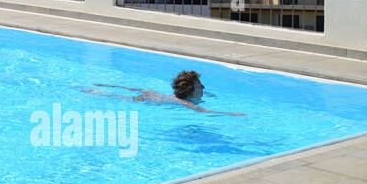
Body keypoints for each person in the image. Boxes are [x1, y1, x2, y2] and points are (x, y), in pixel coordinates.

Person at [82, 69, 245, 115]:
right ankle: (98, 92)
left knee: (135, 89)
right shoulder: (183, 102)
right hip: (148, 99)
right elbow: (204, 111)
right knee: (123, 97)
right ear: (190, 91)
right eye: (200, 86)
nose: (203, 88)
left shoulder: (185, 96)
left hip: (154, 94)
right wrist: (234, 114)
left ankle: (103, 85)